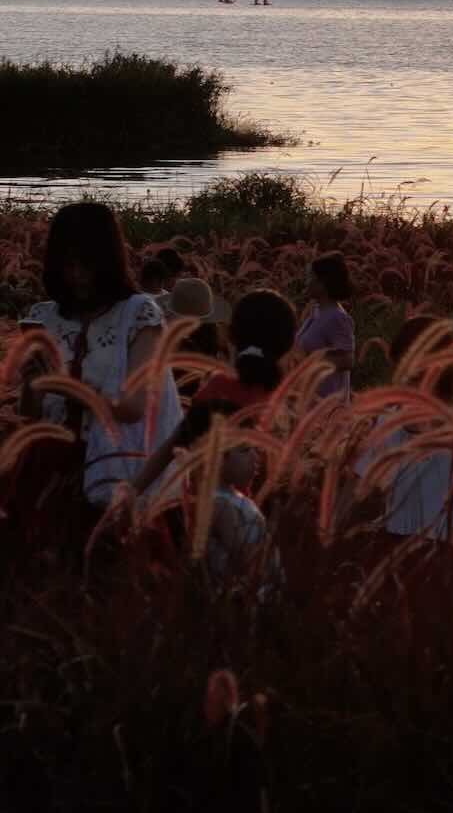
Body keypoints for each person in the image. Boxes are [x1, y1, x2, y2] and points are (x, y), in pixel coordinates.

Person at [14, 202, 184, 514]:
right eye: (68, 265)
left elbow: (134, 407)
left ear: (108, 262)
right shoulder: (44, 317)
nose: (77, 276)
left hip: (114, 473)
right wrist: (31, 383)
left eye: (87, 265)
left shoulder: (138, 315)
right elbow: (31, 414)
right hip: (49, 471)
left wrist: (65, 385)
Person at [128, 291, 294, 593]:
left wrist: (132, 492)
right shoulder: (280, 396)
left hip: (213, 513)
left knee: (219, 589)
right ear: (286, 344)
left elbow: (175, 443)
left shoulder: (220, 386)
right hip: (257, 516)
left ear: (233, 333)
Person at [355, 316, 453, 544]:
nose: (403, 379)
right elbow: (366, 491)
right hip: (396, 549)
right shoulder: (387, 421)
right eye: (400, 369)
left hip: (448, 552)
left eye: (413, 371)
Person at [296, 253, 357, 402]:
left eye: (310, 277)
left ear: (322, 283)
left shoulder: (337, 317)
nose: (306, 282)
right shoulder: (316, 311)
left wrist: (307, 363)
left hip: (327, 405)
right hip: (309, 402)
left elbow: (346, 360)